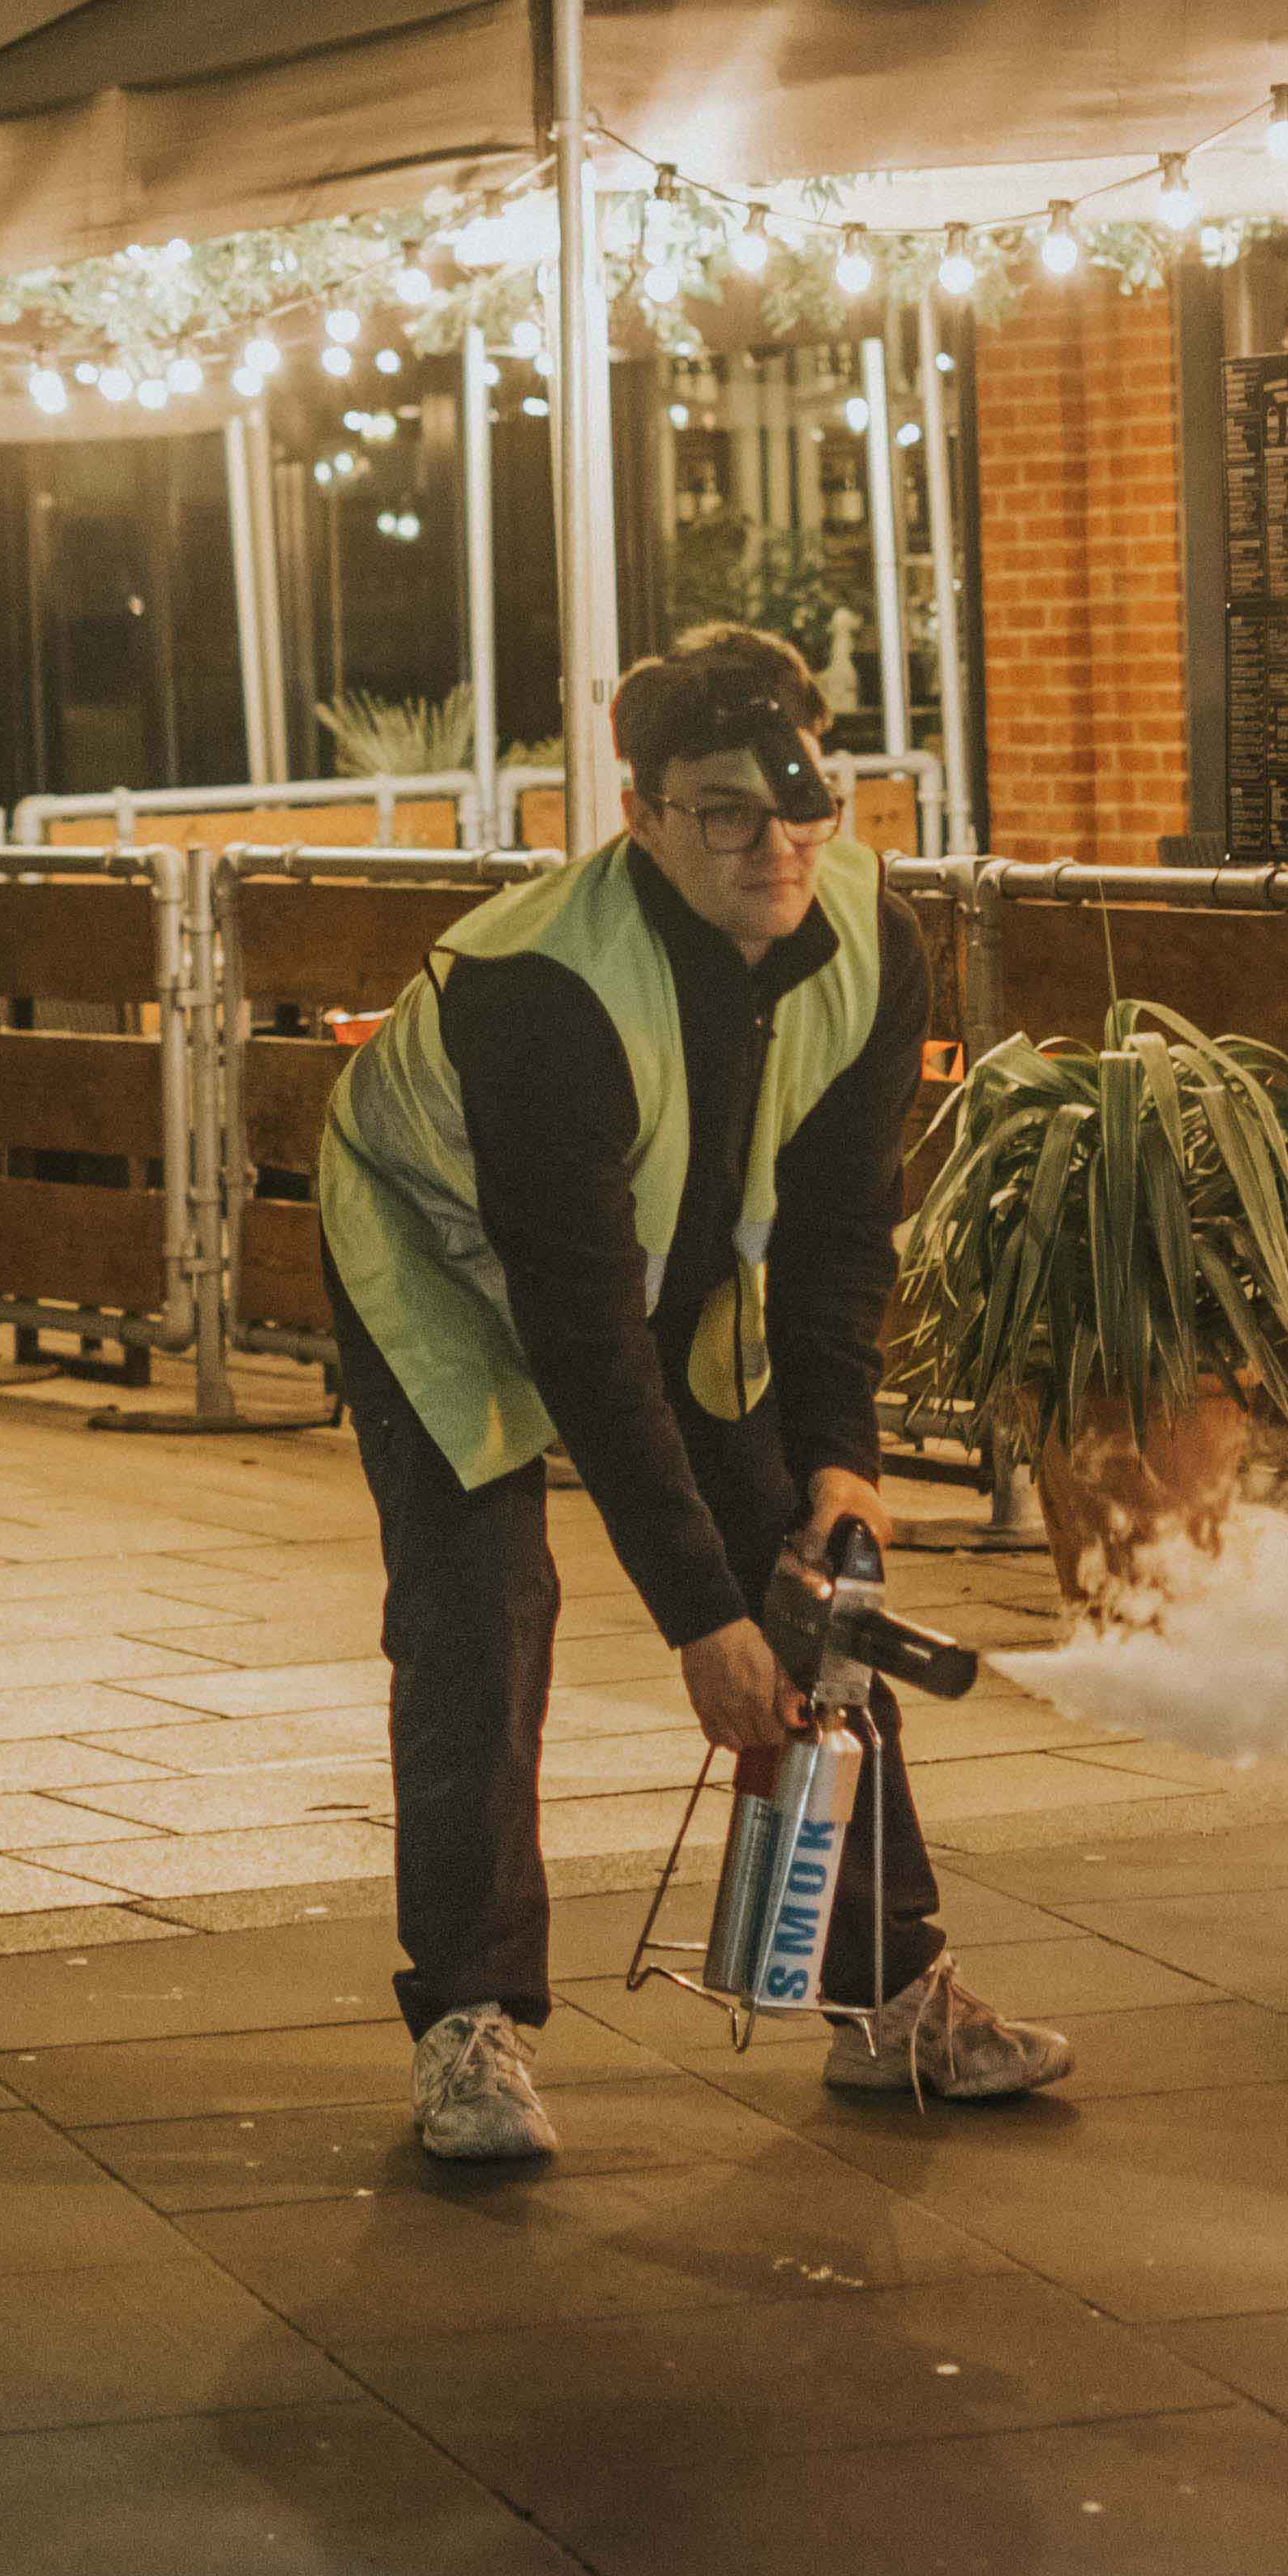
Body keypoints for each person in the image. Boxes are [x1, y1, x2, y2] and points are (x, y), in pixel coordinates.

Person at [317, 625, 1066, 2158]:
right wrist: (699, 1624)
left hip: (663, 1262)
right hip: (439, 1268)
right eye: (723, 810)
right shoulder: (544, 989)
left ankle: (888, 1993)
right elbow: (584, 1342)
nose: (776, 845)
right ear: (641, 810)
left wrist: (841, 1467)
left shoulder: (870, 932)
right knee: (482, 1605)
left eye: (802, 804)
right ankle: (468, 2027)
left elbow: (851, 1223)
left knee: (819, 1579)